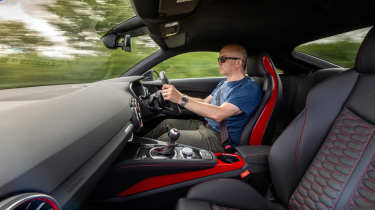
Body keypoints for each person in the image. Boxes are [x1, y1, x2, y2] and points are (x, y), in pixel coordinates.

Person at [145, 44, 262, 152]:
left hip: (219, 138)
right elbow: (205, 102)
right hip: (205, 126)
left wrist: (181, 99)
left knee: (165, 139)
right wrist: (176, 95)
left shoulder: (248, 88)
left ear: (238, 62)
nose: (219, 63)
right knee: (166, 123)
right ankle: (134, 148)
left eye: (223, 59)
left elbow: (219, 114)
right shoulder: (224, 83)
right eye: (218, 59)